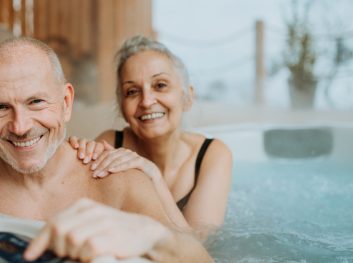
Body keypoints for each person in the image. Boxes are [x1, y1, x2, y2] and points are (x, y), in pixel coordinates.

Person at [0, 37, 217, 263]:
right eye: (0, 107)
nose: (20, 126)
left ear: (66, 102)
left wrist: (151, 235)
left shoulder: (116, 181)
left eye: (36, 102)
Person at [69, 35, 232, 231]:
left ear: (187, 97)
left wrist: (153, 175)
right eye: (132, 91)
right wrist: (76, 159)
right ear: (122, 108)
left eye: (160, 85)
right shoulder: (110, 144)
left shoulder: (212, 155)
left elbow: (199, 251)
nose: (146, 101)